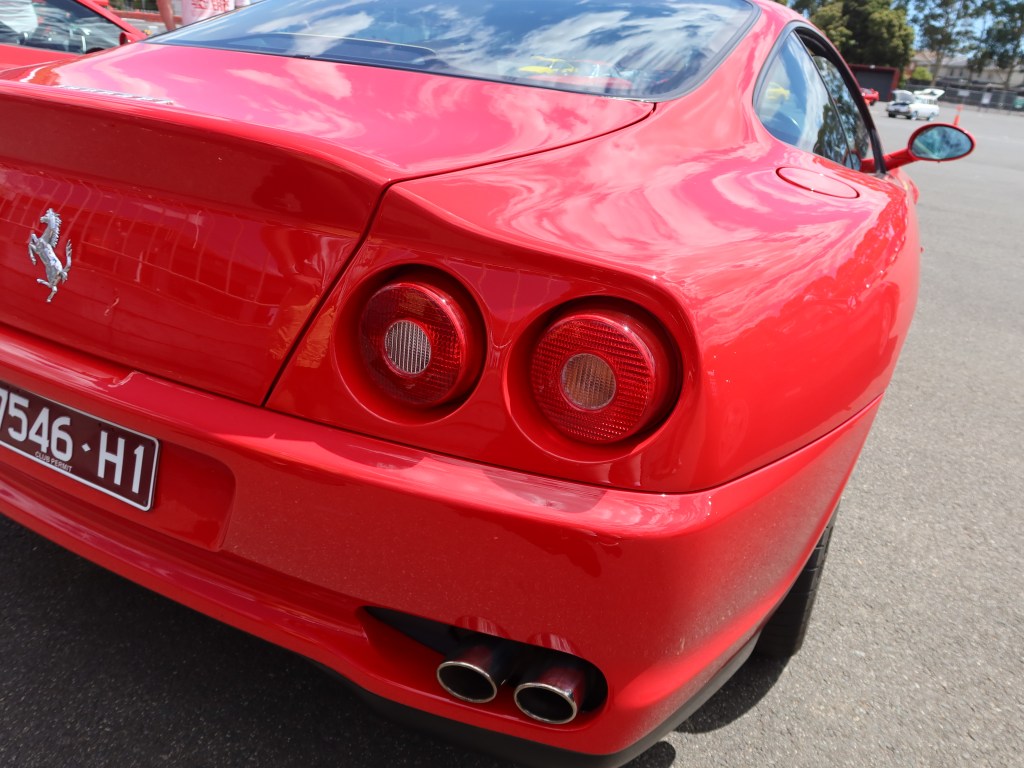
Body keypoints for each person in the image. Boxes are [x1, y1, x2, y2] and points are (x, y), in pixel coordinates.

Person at [157, 0, 249, 32]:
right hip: (225, 35)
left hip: (193, 35)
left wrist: (172, 32)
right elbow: (244, 10)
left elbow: (163, 3)